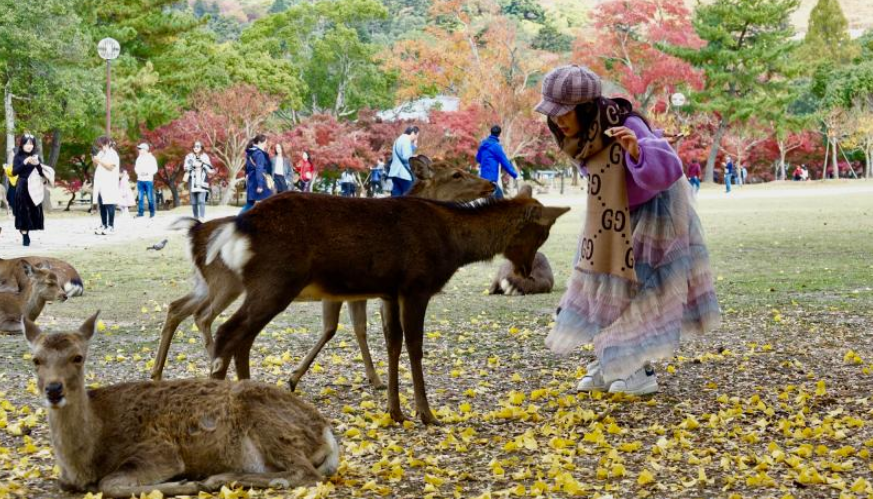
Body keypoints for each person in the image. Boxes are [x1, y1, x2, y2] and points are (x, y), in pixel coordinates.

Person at [536, 65, 720, 395]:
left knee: (639, 290)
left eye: (564, 112)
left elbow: (668, 170)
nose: (558, 120)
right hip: (609, 217)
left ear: (586, 108)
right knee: (600, 286)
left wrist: (638, 151)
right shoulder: (576, 137)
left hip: (654, 213)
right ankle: (610, 359)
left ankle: (637, 367)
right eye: (553, 112)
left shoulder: (626, 122)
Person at [11, 134, 47, 246]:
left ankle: (28, 229)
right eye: (26, 144)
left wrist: (38, 164)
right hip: (22, 186)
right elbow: (14, 172)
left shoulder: (36, 157)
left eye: (31, 144)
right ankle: (25, 235)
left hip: (34, 186)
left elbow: (42, 173)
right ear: (22, 145)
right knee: (23, 211)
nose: (29, 146)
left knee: (33, 210)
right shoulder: (18, 157)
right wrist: (24, 162)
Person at [476, 125, 518, 199]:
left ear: (491, 132)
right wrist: (514, 174)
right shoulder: (496, 146)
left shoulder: (482, 145)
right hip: (492, 180)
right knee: (499, 201)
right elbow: (505, 162)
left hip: (482, 178)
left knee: (490, 200)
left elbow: (478, 159)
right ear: (499, 134)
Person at [92, 136, 121, 235]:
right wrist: (95, 161)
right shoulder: (101, 153)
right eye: (99, 146)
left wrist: (99, 161)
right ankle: (104, 224)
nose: (100, 148)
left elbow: (110, 167)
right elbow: (97, 166)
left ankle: (111, 226)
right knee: (102, 205)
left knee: (110, 204)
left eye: (101, 146)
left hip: (109, 183)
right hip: (100, 183)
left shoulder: (113, 154)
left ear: (107, 144)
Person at [241, 134, 272, 214]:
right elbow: (259, 169)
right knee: (267, 202)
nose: (266, 144)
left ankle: (239, 218)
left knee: (250, 204)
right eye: (265, 142)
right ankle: (239, 219)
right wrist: (260, 185)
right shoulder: (259, 154)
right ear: (259, 142)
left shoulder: (251, 153)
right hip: (258, 181)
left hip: (251, 180)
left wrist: (247, 179)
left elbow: (247, 168)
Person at [184, 141, 214, 219]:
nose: (195, 148)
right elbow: (185, 167)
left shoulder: (205, 156)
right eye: (194, 146)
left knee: (201, 200)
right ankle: (195, 218)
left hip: (202, 180)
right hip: (192, 180)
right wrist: (192, 166)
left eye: (197, 146)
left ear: (201, 147)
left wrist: (203, 164)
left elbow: (211, 169)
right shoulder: (189, 156)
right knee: (193, 202)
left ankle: (202, 217)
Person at [388, 126, 419, 197]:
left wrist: (414, 146)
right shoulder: (406, 140)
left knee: (396, 197)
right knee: (410, 197)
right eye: (417, 136)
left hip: (395, 172)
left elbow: (401, 154)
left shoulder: (398, 139)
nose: (416, 138)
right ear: (413, 133)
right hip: (404, 174)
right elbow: (407, 158)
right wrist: (415, 157)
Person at [134, 143, 158, 218]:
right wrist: (139, 172)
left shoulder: (151, 158)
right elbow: (136, 168)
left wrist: (147, 173)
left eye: (140, 149)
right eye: (139, 149)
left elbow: (155, 169)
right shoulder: (139, 158)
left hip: (148, 180)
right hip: (140, 180)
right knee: (140, 198)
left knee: (150, 197)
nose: (139, 150)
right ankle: (140, 213)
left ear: (145, 149)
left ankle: (152, 212)